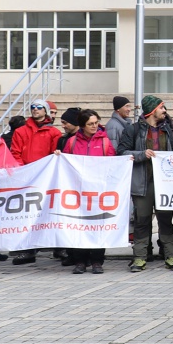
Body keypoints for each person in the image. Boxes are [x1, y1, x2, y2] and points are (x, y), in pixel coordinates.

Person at [119, 95, 173, 272]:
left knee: (166, 220)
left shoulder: (169, 129)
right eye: (161, 108)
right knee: (142, 221)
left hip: (165, 184)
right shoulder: (133, 129)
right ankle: (139, 258)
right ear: (152, 111)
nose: (164, 111)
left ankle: (171, 256)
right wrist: (142, 154)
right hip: (142, 183)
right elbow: (121, 153)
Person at [10, 101, 62, 266]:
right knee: (25, 215)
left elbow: (54, 156)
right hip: (26, 179)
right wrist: (23, 173)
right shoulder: (20, 131)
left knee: (49, 213)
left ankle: (56, 247)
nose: (35, 110)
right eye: (32, 107)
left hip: (46, 179)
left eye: (39, 108)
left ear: (46, 111)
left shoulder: (54, 133)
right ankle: (25, 249)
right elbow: (15, 154)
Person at [64, 109, 116, 274]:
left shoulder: (105, 142)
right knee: (79, 225)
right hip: (78, 192)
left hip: (98, 192)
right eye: (90, 124)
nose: (95, 126)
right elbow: (65, 164)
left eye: (96, 122)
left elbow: (113, 164)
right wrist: (59, 156)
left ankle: (97, 261)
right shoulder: (72, 142)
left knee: (98, 225)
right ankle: (80, 261)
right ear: (82, 126)